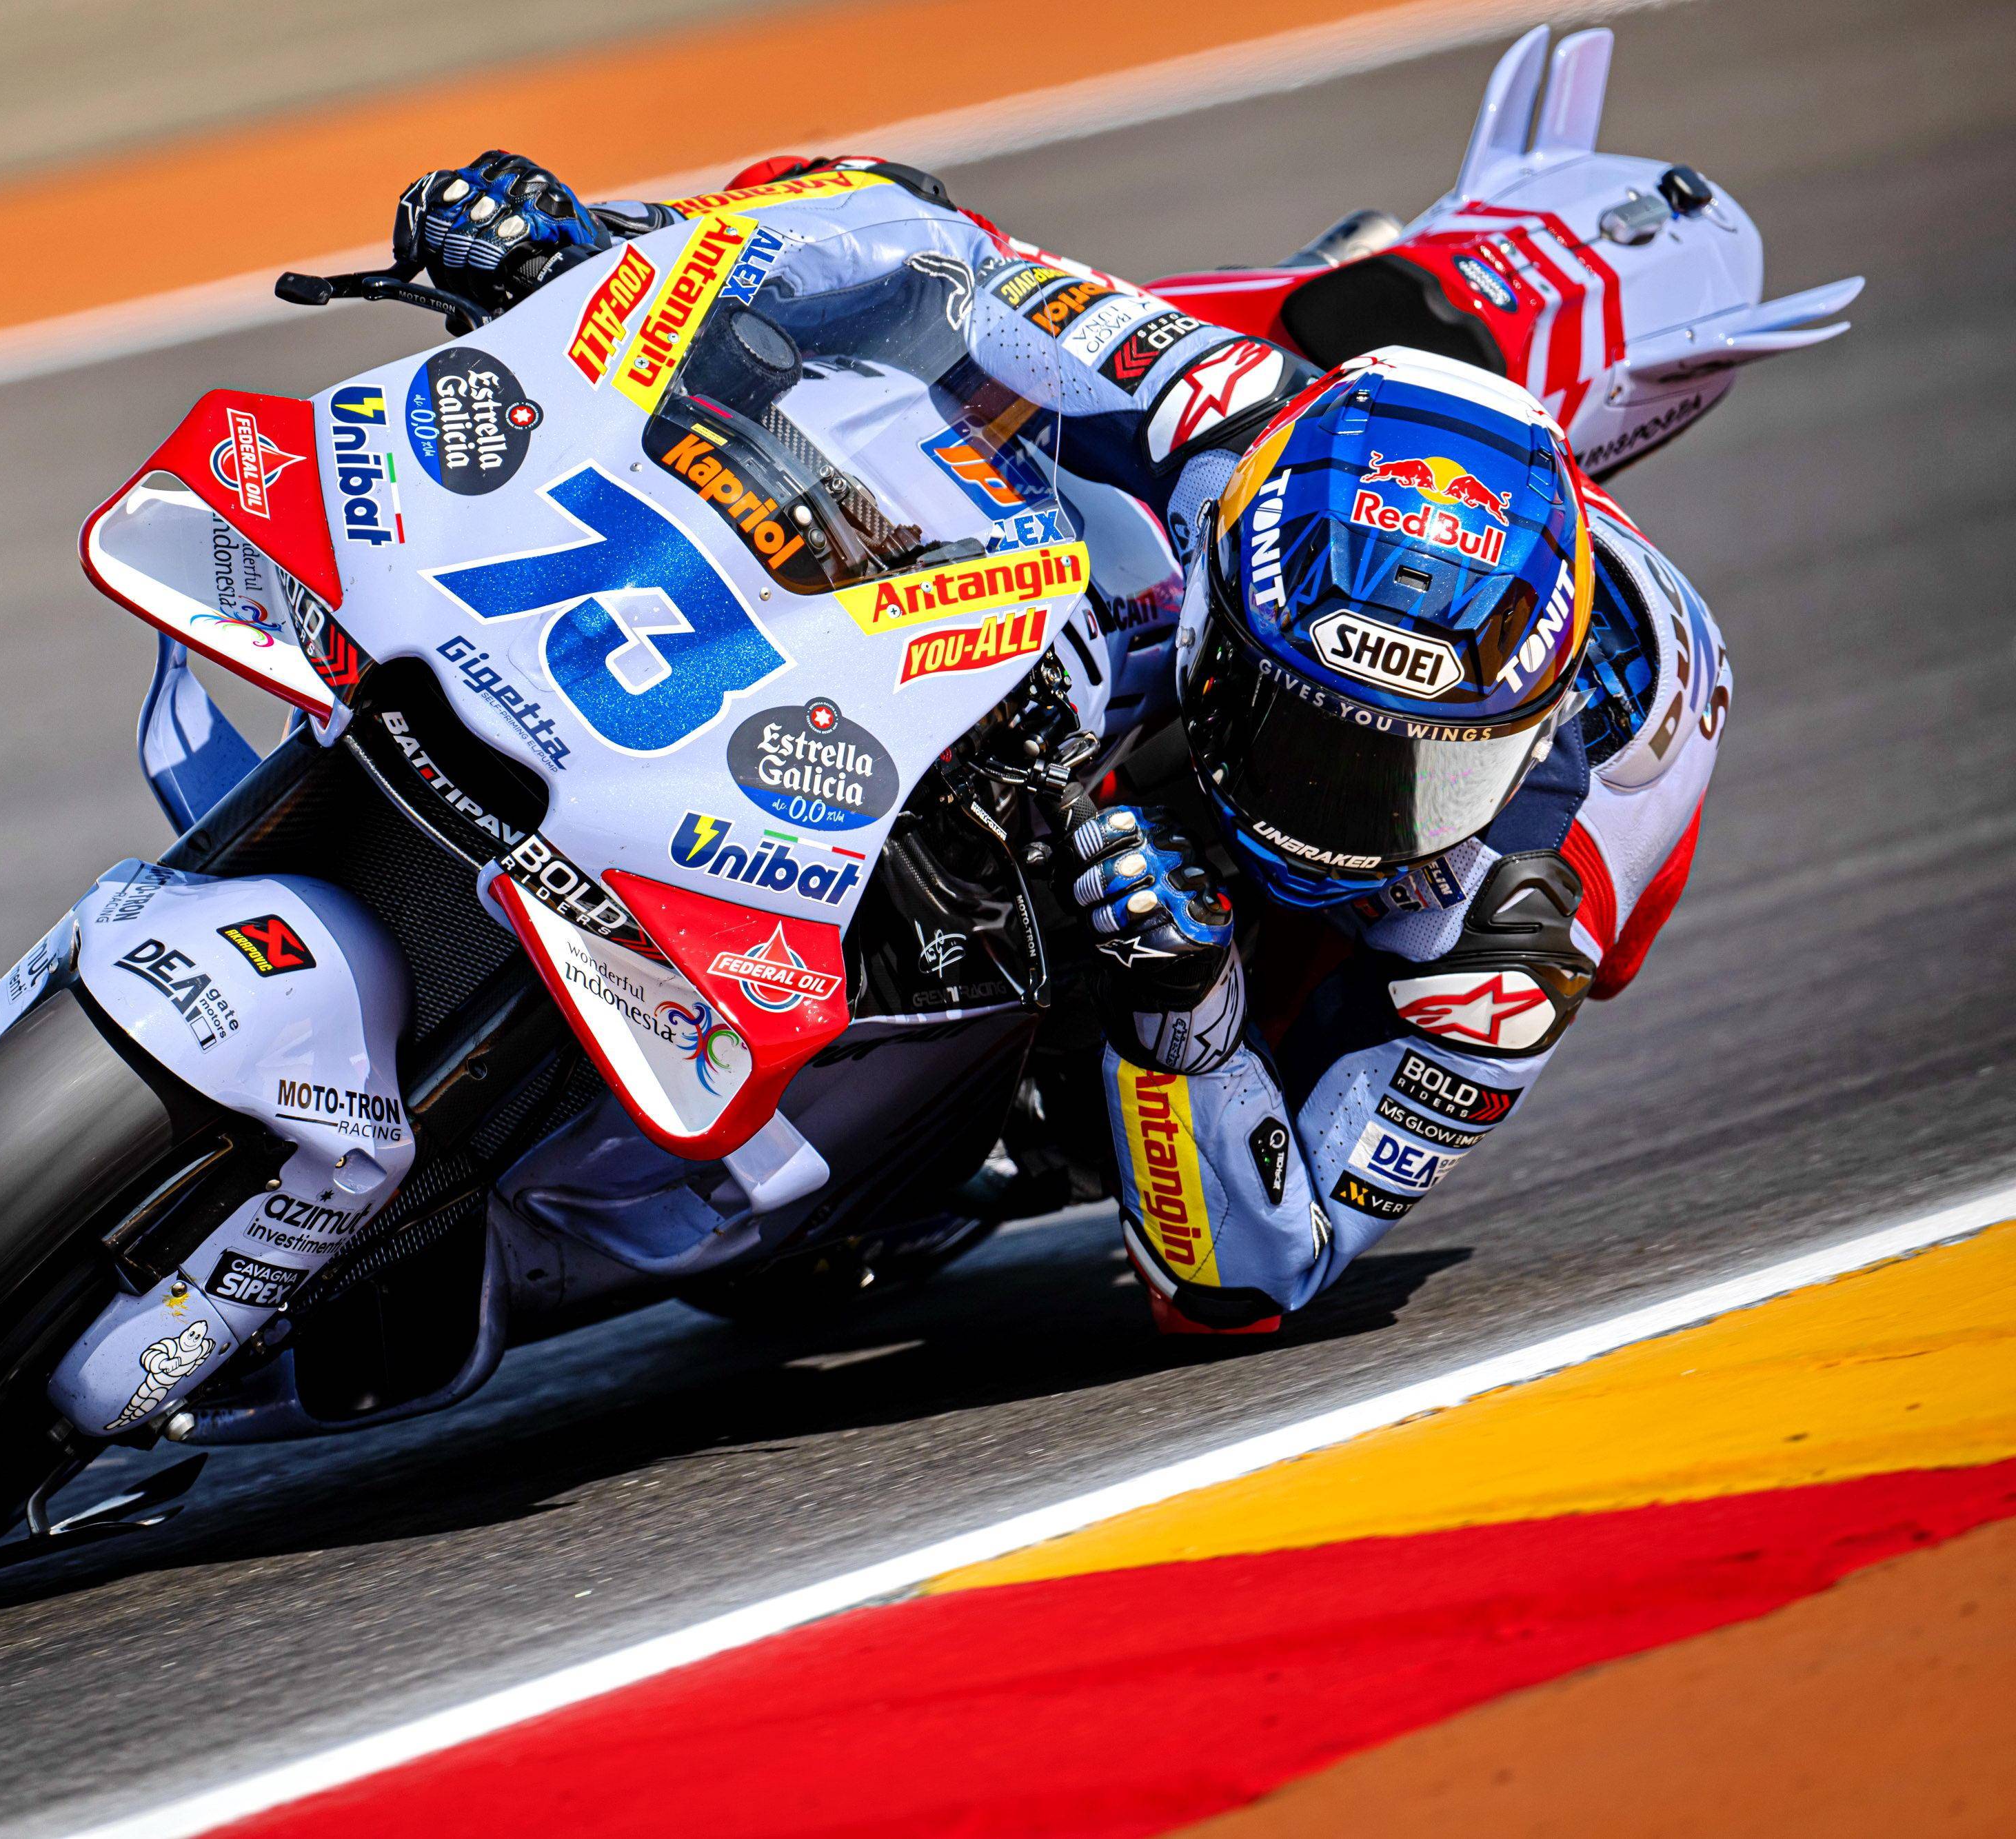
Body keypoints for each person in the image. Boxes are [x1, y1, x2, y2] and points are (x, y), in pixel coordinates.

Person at [392, 151, 1728, 1334]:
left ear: (1513, 737)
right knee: (922, 365)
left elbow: (1251, 1281)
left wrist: (1187, 1005)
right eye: (1302, 732)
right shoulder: (1225, 406)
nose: (1329, 802)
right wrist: (601, 253)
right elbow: (923, 248)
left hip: (1299, 964)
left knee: (1156, 984)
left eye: (1401, 772)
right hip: (1208, 574)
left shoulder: (1509, 937)